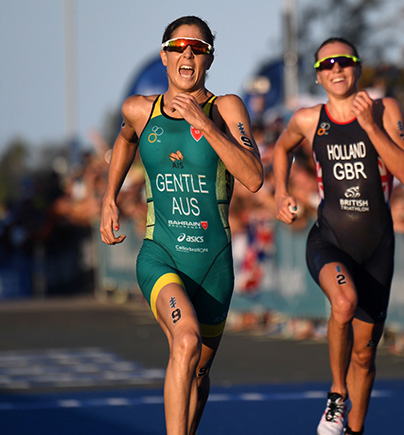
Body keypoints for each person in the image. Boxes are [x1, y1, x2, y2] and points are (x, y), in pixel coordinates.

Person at [99, 16, 263, 435]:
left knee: (199, 372)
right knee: (185, 340)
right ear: (164, 55)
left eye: (198, 47)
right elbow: (125, 140)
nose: (187, 54)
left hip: (213, 266)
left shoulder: (225, 108)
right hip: (162, 253)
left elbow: (254, 176)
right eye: (179, 46)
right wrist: (109, 197)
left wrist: (205, 125)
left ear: (209, 58)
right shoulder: (140, 109)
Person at [273, 37, 404, 435]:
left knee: (365, 357)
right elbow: (282, 149)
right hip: (329, 239)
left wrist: (370, 125)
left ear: (358, 68)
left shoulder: (385, 110)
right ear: (318, 76)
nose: (336, 69)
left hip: (376, 248)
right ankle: (336, 395)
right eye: (327, 64)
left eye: (344, 61)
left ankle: (354, 429)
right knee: (344, 302)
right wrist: (281, 192)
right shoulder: (307, 119)